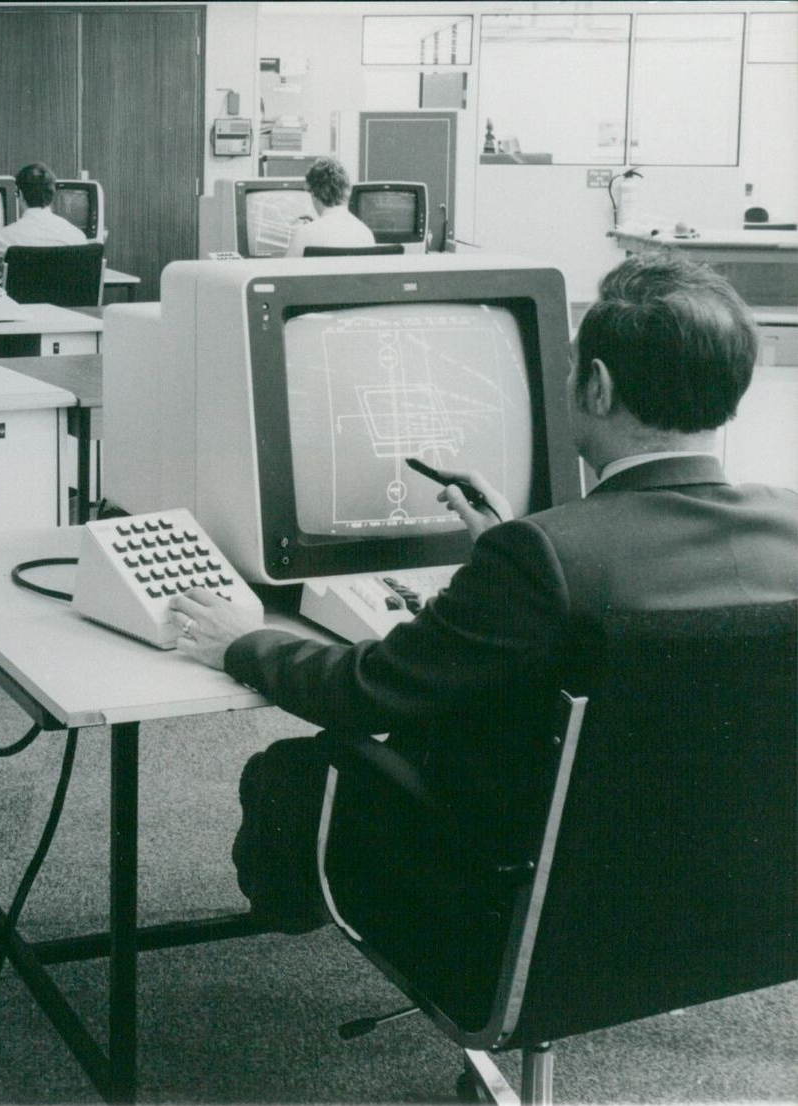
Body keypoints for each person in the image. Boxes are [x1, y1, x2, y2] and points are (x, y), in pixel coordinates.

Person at [169, 251, 798, 934]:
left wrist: (241, 641)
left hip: (518, 907)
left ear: (597, 386)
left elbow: (364, 690)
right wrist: (517, 545)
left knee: (291, 772)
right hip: (728, 901)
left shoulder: (540, 558)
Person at [0, 162, 88, 283]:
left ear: (20, 194)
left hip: (18, 296)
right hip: (65, 296)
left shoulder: (3, 237)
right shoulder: (77, 237)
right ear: (52, 194)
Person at [284, 155, 377, 258]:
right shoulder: (365, 234)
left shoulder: (305, 234)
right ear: (347, 191)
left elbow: (285, 268)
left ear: (313, 193)